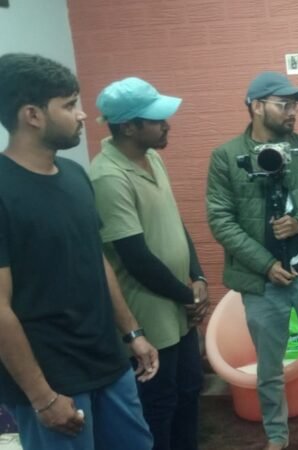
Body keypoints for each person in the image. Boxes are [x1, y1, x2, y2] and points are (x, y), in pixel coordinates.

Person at [0, 53, 159, 450]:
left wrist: (132, 332)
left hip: (108, 361)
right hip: (53, 379)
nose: (83, 114)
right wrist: (42, 396)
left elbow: (96, 259)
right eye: (70, 105)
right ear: (32, 115)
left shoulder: (74, 175)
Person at [206, 71, 298, 450]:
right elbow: (220, 220)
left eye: (296, 105)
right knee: (269, 369)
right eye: (284, 104)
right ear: (257, 106)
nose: (293, 112)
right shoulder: (226, 157)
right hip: (261, 282)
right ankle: (276, 437)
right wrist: (265, 264)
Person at [89, 77, 208, 450]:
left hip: (178, 308)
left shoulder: (152, 157)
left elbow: (175, 223)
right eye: (156, 120)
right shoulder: (108, 177)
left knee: (190, 391)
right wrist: (188, 296)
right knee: (158, 406)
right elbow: (135, 258)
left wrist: (198, 276)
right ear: (129, 126)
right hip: (149, 315)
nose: (166, 125)